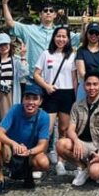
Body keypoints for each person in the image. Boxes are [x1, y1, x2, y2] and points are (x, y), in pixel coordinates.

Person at [2, 0, 81, 83]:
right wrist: (4, 4)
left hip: (54, 79)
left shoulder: (61, 33)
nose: (48, 12)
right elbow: (10, 23)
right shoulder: (30, 30)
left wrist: (85, 23)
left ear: (55, 15)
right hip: (33, 79)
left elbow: (80, 38)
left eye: (51, 11)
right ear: (40, 14)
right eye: (45, 10)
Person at [0, 84, 51, 195]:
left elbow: (43, 145)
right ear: (23, 99)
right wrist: (14, 144)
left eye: (35, 99)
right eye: (27, 98)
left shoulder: (44, 116)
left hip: (30, 153)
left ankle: (28, 173)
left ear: (40, 102)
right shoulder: (15, 109)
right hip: (11, 150)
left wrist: (29, 152)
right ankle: (0, 179)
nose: (30, 102)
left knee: (44, 162)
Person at [56, 71, 99, 186]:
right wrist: (76, 141)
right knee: (61, 144)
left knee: (95, 173)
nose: (92, 87)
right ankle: (83, 168)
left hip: (98, 146)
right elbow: (70, 129)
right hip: (82, 144)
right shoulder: (77, 105)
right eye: (88, 84)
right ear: (84, 86)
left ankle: (97, 168)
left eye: (95, 84)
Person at [0, 33, 28, 179]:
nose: (3, 48)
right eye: (0, 45)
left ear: (10, 46)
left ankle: (8, 161)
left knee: (8, 127)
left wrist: (23, 57)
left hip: (9, 93)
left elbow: (24, 75)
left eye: (6, 45)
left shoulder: (15, 61)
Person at [33, 26, 78, 176]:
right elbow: (36, 74)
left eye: (64, 37)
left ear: (68, 39)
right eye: (58, 36)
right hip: (51, 93)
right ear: (54, 37)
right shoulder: (46, 54)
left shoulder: (72, 55)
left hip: (67, 93)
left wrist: (76, 96)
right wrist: (46, 86)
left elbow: (74, 78)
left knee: (64, 130)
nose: (61, 39)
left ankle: (61, 162)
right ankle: (39, 161)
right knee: (47, 129)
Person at [75, 18, 99, 101]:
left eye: (97, 33)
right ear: (87, 34)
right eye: (91, 32)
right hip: (87, 85)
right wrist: (92, 86)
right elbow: (82, 72)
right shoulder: (81, 50)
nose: (94, 35)